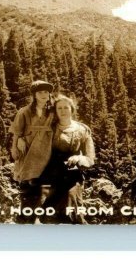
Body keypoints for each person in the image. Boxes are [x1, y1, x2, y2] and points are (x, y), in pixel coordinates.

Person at [40, 95, 95, 224]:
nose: (63, 111)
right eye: (59, 108)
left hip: (72, 175)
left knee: (70, 201)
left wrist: (79, 158)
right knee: (43, 208)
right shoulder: (49, 129)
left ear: (72, 109)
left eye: (66, 107)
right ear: (55, 111)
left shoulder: (83, 130)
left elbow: (90, 158)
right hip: (50, 174)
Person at [9, 80, 55, 223]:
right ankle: (26, 217)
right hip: (29, 149)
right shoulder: (24, 111)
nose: (44, 95)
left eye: (46, 92)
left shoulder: (53, 111)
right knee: (28, 182)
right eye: (40, 92)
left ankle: (41, 217)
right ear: (34, 95)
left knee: (44, 183)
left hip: (47, 149)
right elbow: (16, 132)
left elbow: (66, 121)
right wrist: (16, 144)